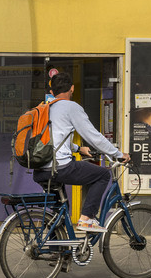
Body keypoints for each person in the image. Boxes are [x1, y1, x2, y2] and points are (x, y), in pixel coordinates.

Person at [36, 71, 127, 232]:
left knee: (61, 210)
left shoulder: (45, 108)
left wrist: (79, 149)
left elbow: (52, 139)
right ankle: (87, 219)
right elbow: (94, 137)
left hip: (41, 169)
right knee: (103, 175)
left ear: (52, 92)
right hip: (60, 168)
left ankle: (57, 250)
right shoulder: (72, 107)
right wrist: (118, 154)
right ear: (72, 88)